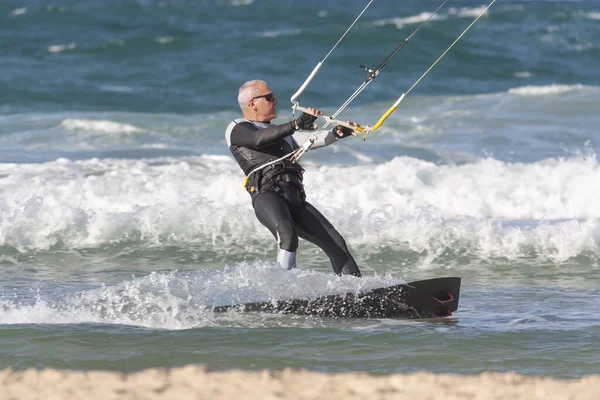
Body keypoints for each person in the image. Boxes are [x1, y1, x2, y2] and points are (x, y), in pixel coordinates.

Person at [225, 79, 362, 277]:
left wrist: (337, 133)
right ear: (253, 103)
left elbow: (313, 139)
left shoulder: (284, 136)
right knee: (287, 236)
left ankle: (357, 293)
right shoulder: (237, 127)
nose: (276, 101)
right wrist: (296, 123)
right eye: (270, 97)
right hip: (268, 195)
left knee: (336, 243)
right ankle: (283, 290)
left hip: (295, 199)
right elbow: (258, 140)